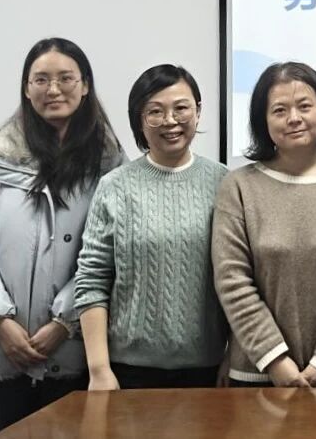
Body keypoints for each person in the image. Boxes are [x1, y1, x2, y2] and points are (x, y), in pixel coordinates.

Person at [0, 37, 125, 434]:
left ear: (85, 84)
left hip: (76, 352)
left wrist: (64, 322)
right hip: (2, 354)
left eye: (65, 78)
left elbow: (115, 255)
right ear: (26, 88)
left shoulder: (110, 165)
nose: (53, 89)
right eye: (40, 79)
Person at [75, 64, 227, 390]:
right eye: (155, 112)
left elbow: (240, 281)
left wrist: (234, 357)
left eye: (181, 108)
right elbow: (91, 280)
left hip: (208, 370)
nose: (170, 121)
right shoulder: (114, 186)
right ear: (139, 120)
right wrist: (99, 370)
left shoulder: (225, 183)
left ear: (198, 111)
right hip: (129, 372)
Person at [212, 62, 316, 387]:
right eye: (279, 110)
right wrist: (275, 360)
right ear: (263, 120)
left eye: (304, 106)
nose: (294, 118)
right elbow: (232, 280)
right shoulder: (239, 186)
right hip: (257, 374)